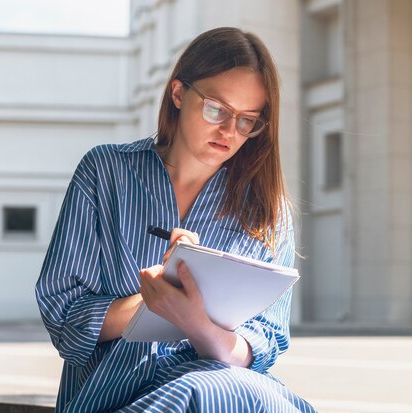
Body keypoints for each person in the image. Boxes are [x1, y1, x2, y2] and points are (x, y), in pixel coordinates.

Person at [35, 27, 316, 413]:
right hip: (118, 393)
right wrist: (154, 299)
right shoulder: (105, 172)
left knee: (216, 389)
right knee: (198, 394)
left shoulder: (269, 211)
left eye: (247, 120)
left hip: (227, 392)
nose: (229, 132)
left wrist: (195, 320)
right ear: (179, 93)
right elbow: (66, 320)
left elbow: (258, 350)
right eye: (217, 109)